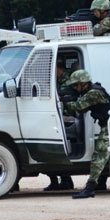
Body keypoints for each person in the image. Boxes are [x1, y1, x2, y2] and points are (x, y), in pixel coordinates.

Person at [64, 70, 110, 199]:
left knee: (98, 157)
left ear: (84, 83)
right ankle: (101, 183)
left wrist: (64, 102)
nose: (75, 88)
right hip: (109, 125)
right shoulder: (91, 91)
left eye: (76, 85)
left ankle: (90, 188)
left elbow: (79, 107)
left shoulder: (94, 93)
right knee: (104, 156)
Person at [45, 59, 74, 192]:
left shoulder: (68, 80)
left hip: (67, 115)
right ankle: (58, 181)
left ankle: (65, 180)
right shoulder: (56, 79)